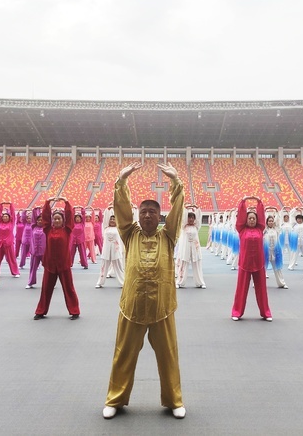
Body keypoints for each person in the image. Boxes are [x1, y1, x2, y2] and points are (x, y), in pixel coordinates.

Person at [103, 162, 186, 420]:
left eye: (153, 212)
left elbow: (178, 211)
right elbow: (122, 211)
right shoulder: (129, 234)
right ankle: (115, 399)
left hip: (162, 308)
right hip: (132, 308)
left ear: (160, 217)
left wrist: (176, 182)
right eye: (144, 211)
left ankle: (174, 400)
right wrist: (122, 181)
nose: (148, 215)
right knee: (123, 355)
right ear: (138, 216)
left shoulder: (168, 236)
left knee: (168, 355)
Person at [33, 197, 80, 320]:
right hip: (50, 264)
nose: (57, 220)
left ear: (62, 220)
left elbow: (70, 216)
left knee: (69, 288)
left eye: (59, 218)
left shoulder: (67, 230)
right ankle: (40, 311)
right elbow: (45, 217)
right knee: (45, 289)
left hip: (64, 264)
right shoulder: (48, 229)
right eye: (55, 218)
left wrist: (66, 202)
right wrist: (47, 202)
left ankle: (75, 311)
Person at [231, 196, 272, 321]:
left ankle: (266, 313)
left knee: (262, 290)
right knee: (241, 289)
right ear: (246, 220)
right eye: (250, 218)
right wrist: (243, 201)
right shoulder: (241, 229)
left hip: (259, 264)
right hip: (245, 264)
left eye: (254, 218)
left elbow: (261, 215)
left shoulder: (260, 229)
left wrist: (259, 202)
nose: (252, 220)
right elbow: (241, 215)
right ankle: (236, 312)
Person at [175, 204, 206, 288]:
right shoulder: (183, 226)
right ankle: (179, 282)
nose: (191, 219)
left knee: (197, 265)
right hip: (185, 249)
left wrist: (197, 208)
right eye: (189, 217)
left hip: (195, 249)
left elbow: (199, 218)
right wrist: (186, 208)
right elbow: (182, 217)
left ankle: (200, 282)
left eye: (192, 218)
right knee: (183, 264)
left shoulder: (196, 227)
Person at [95, 205, 125, 288]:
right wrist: (108, 210)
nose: (112, 220)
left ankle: (123, 283)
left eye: (114, 219)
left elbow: (122, 219)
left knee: (119, 268)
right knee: (103, 267)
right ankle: (100, 282)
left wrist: (118, 209)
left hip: (116, 251)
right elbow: (104, 219)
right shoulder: (105, 228)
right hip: (106, 251)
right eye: (111, 219)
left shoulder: (119, 228)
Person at [0, 202, 20, 278]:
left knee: (11, 259)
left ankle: (15, 272)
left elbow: (13, 213)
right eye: (4, 216)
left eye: (6, 216)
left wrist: (10, 205)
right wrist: (0, 205)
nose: (5, 218)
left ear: (9, 218)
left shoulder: (11, 223)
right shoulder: (0, 222)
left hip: (8, 244)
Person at [263, 208, 287, 288]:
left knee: (277, 269)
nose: (271, 222)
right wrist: (265, 211)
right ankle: (257, 283)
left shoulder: (277, 230)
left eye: (272, 221)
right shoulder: (264, 230)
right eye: (269, 221)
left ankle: (282, 283)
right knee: (262, 268)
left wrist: (276, 211)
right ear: (267, 222)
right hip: (266, 252)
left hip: (275, 252)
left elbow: (278, 220)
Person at [26, 207, 45, 289]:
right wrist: (35, 210)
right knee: (33, 268)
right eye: (38, 220)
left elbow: (49, 218)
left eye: (42, 220)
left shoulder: (47, 228)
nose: (40, 221)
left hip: (44, 252)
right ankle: (30, 282)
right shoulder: (33, 227)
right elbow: (33, 218)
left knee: (48, 269)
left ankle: (49, 282)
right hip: (34, 252)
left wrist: (45, 209)